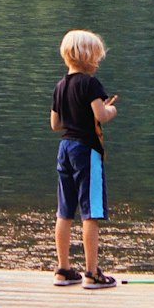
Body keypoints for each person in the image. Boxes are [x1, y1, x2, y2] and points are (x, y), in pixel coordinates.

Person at [50, 28, 119, 289]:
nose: (98, 62)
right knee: (90, 212)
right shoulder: (91, 84)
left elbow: (55, 124)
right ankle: (92, 273)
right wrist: (111, 109)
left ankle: (64, 269)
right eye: (97, 57)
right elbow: (100, 115)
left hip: (64, 148)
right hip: (85, 151)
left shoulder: (60, 86)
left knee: (64, 211)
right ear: (88, 57)